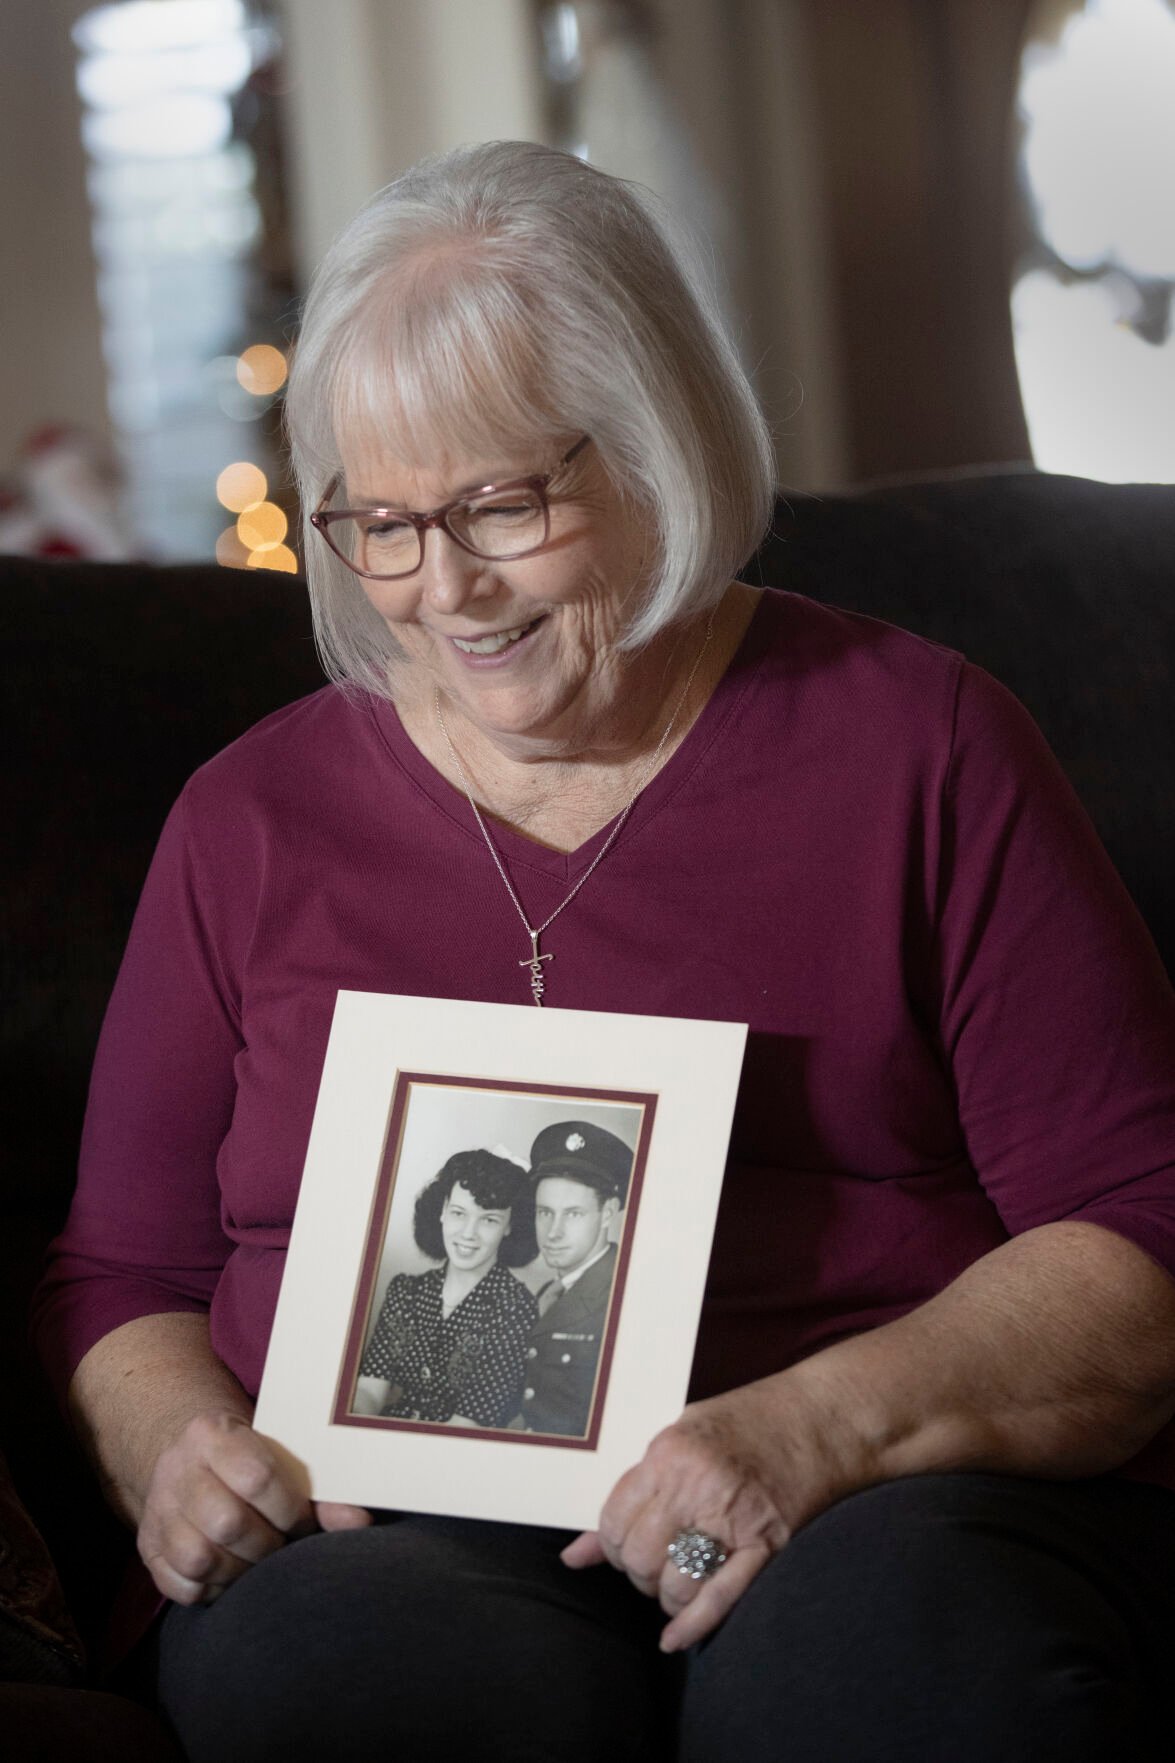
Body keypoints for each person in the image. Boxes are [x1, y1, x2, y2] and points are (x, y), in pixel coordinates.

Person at [32, 139, 1175, 1763]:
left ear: (654, 441)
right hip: (397, 1530)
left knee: (874, 1679)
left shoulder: (921, 747)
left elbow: (1137, 1227)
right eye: (380, 524)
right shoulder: (252, 817)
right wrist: (182, 1445)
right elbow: (122, 1276)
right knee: (361, 1687)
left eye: (502, 504)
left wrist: (807, 1435)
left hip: (850, 1489)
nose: (447, 591)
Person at [352, 1148, 537, 1428]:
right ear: (441, 1211)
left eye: (488, 1219)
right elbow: (368, 1390)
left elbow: (471, 1423)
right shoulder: (406, 1291)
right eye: (459, 1213)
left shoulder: (516, 1307)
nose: (467, 1233)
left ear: (510, 1226)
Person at [516, 1120, 632, 1437]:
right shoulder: (549, 1292)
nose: (553, 1232)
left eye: (573, 1214)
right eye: (545, 1212)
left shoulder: (625, 1294)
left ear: (608, 1212)